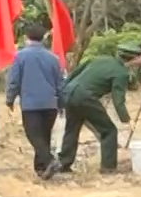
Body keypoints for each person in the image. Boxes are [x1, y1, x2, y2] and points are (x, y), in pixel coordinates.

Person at [58, 45, 136, 175]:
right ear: (132, 59)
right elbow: (118, 100)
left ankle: (63, 163)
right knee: (109, 130)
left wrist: (64, 90)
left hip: (69, 93)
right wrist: (127, 120)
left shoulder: (100, 58)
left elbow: (75, 73)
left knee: (72, 129)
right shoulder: (121, 73)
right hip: (86, 97)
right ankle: (108, 168)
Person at [5, 22, 66, 179]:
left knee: (34, 135)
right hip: (50, 103)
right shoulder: (53, 58)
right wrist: (61, 103)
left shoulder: (21, 56)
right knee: (44, 135)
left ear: (26, 38)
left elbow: (14, 80)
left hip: (31, 104)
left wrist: (10, 99)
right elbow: (60, 83)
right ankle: (42, 168)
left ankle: (50, 161)